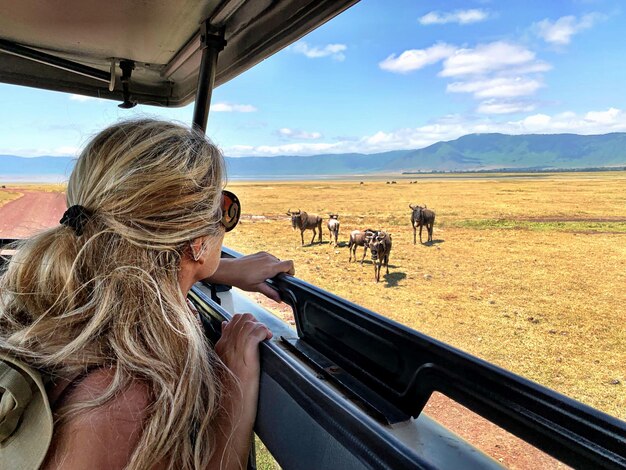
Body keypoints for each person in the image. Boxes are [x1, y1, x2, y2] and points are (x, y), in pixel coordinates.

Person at [0, 119, 294, 469]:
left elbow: (147, 267)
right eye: (224, 210)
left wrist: (218, 268)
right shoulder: (119, 404)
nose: (226, 220)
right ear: (196, 241)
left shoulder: (64, 309)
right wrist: (235, 398)